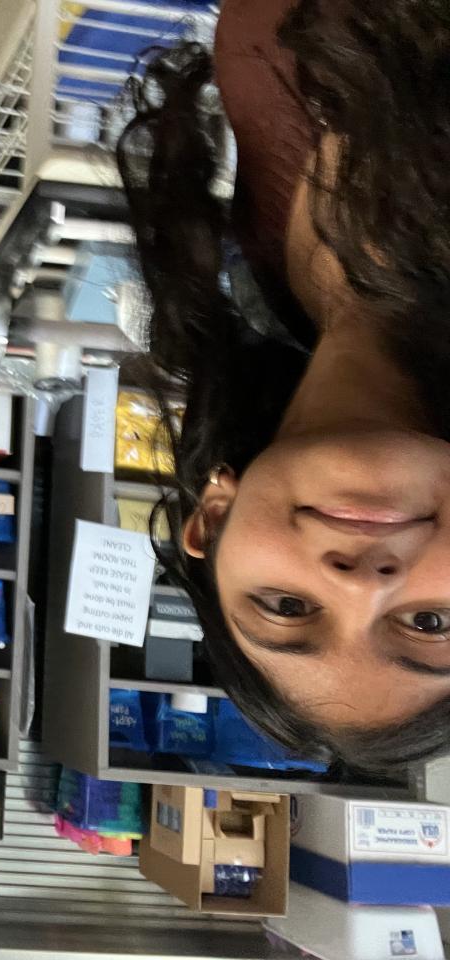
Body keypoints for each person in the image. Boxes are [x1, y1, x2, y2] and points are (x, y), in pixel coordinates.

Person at [118, 0, 450, 776]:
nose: (361, 586)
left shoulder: (264, 276)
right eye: (430, 623)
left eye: (288, 608)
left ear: (213, 518)